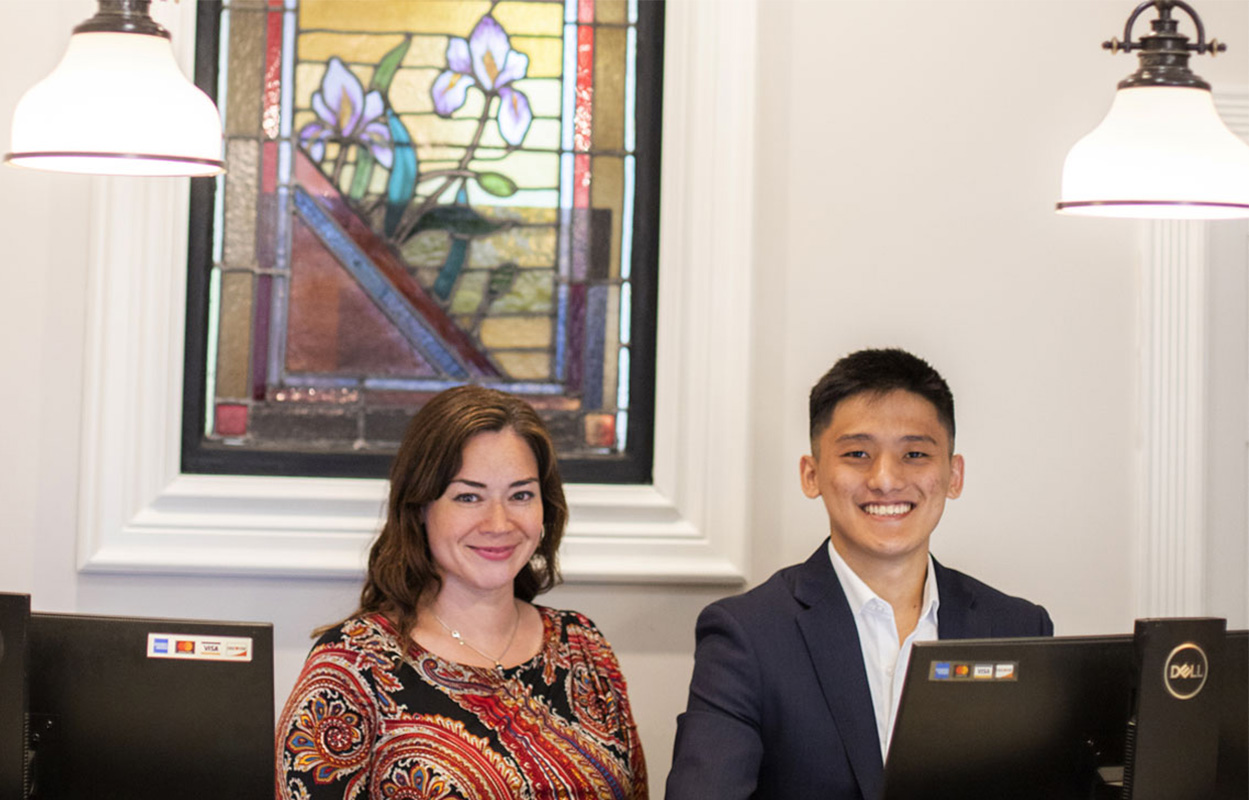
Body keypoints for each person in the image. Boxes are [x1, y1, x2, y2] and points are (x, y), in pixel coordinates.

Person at [665, 348, 1053, 800]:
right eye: (857, 453)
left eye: (914, 453)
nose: (885, 479)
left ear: (953, 474)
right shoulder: (746, 635)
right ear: (811, 475)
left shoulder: (1017, 629)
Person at [276, 385, 648, 800]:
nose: (498, 522)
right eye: (468, 496)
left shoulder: (583, 646)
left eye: (520, 495)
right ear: (419, 508)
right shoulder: (352, 666)